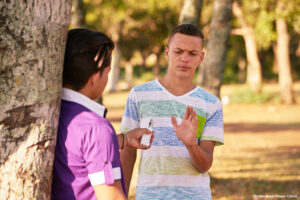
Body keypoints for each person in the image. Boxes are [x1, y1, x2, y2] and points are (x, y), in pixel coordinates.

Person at [120, 24, 224, 200]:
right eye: (179, 51)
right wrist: (120, 195)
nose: (185, 58)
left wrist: (190, 143)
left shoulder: (211, 104)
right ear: (167, 53)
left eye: (192, 54)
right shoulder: (139, 95)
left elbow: (205, 165)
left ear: (201, 57)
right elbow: (128, 151)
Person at [51, 28, 153, 200]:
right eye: (108, 71)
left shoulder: (51, 113)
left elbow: (78, 149)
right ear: (95, 76)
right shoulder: (96, 127)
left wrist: (124, 139)